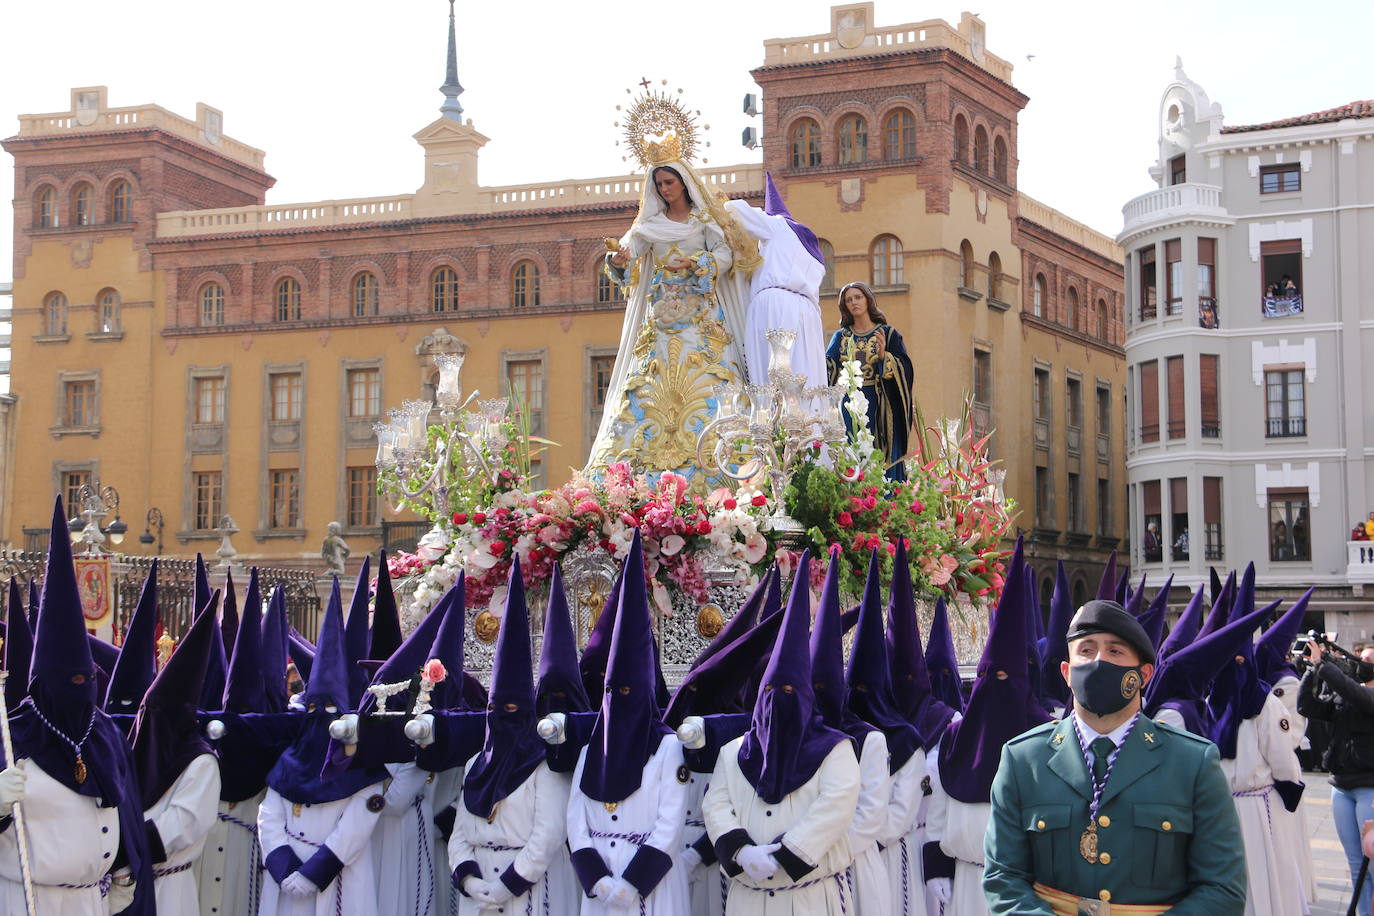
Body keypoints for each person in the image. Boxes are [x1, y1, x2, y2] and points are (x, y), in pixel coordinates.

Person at [983, 597, 1247, 914]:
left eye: (1115, 651)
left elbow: (1222, 888)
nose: (1098, 661)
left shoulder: (1193, 762)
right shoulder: (1023, 759)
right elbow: (1003, 879)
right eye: (1086, 650)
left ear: (1144, 674)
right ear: (1066, 672)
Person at [0, 497, 156, 914]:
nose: (81, 689)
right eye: (71, 681)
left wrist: (124, 872)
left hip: (93, 900)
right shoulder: (10, 736)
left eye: (87, 679)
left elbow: (124, 807)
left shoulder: (102, 732)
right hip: (28, 900)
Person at [586, 143, 758, 486]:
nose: (665, 189)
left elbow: (724, 255)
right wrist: (618, 260)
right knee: (649, 381)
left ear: (683, 182)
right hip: (661, 319)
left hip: (702, 317)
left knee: (711, 380)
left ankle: (722, 467)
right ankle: (635, 472)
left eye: (669, 182)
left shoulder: (703, 220)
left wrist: (695, 263)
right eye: (660, 184)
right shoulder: (648, 225)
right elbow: (628, 252)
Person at [703, 549, 861, 913]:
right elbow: (716, 804)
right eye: (771, 694)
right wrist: (742, 850)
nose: (779, 703)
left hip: (809, 897)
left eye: (789, 693)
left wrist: (789, 854)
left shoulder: (834, 749)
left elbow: (835, 806)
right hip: (750, 897)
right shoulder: (734, 752)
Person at [567, 532, 691, 913]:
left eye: (625, 693)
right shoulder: (591, 748)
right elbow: (575, 817)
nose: (615, 702)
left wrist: (634, 881)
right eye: (609, 693)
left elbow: (670, 822)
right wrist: (595, 878)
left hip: (649, 886)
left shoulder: (668, 748)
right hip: (601, 887)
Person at [450, 558, 574, 915]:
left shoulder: (543, 767)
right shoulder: (477, 763)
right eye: (493, 710)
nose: (499, 719)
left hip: (526, 890)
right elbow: (460, 833)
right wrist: (470, 880)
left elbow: (548, 833)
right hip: (477, 892)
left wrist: (509, 884)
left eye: (509, 710)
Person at [129, 589, 224, 913]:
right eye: (147, 711)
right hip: (125, 881)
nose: (149, 721)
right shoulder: (137, 751)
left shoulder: (201, 763)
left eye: (158, 712)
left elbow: (183, 824)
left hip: (169, 890)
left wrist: (123, 844)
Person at [723, 172, 827, 387]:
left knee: (770, 378)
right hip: (808, 314)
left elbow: (734, 209)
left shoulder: (777, 224)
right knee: (807, 378)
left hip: (775, 304)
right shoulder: (810, 242)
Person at [1298, 634, 1374, 916]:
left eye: (1367, 661)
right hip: (1341, 787)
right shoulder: (1345, 692)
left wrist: (1324, 665)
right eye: (1360, 659)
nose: (1361, 664)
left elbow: (1358, 695)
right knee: (1356, 865)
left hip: (1370, 788)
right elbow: (1307, 706)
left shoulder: (1364, 694)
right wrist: (1310, 669)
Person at [825, 281, 915, 481]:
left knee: (879, 451)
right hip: (849, 405)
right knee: (851, 450)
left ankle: (882, 494)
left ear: (868, 300)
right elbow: (827, 368)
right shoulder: (842, 337)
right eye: (848, 300)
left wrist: (885, 357)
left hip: (880, 406)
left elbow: (906, 370)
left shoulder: (888, 334)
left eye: (858, 297)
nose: (854, 303)